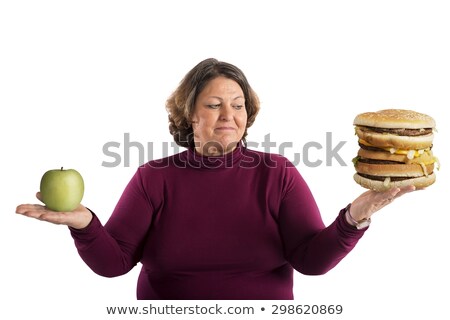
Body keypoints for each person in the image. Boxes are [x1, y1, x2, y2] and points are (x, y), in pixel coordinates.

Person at [16, 58, 417, 300]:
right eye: (214, 104)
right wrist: (84, 224)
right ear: (190, 114)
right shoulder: (153, 177)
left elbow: (310, 261)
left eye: (238, 105)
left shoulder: (277, 173)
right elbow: (115, 263)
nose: (229, 114)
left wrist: (354, 217)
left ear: (248, 114)